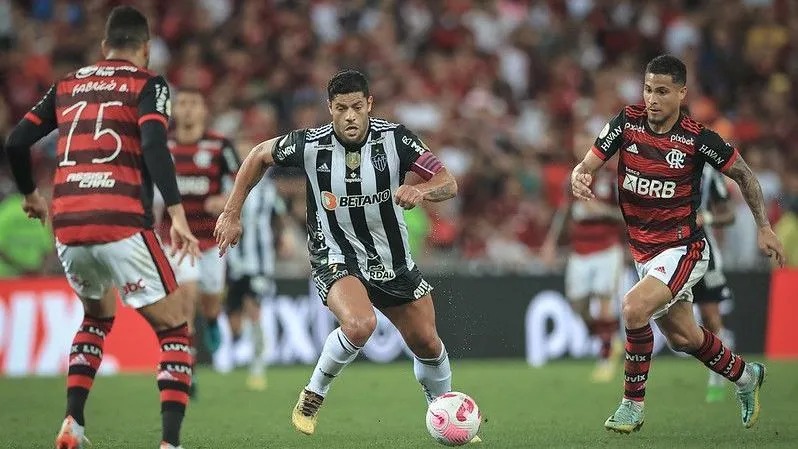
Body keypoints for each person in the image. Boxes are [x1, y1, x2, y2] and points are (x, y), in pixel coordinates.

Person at [214, 69, 479, 442]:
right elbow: (258, 155)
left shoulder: (397, 140)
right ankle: (314, 393)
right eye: (341, 108)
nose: (350, 116)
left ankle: (443, 411)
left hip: (392, 260)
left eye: (357, 106)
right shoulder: (311, 144)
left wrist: (421, 191)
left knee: (428, 343)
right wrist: (231, 213)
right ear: (330, 108)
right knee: (359, 324)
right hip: (334, 255)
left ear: (369, 103)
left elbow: (447, 182)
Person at [3, 6, 199, 449]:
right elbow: (154, 143)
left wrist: (31, 194)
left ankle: (73, 422)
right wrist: (177, 212)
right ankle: (170, 443)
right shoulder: (148, 83)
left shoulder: (67, 84)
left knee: (96, 317)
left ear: (104, 46)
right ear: (146, 48)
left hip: (68, 224)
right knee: (174, 329)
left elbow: (16, 141)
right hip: (120, 218)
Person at [571, 55, 785, 433]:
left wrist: (764, 227)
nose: (652, 99)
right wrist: (580, 175)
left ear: (682, 93)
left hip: (683, 248)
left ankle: (632, 405)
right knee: (684, 338)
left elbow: (744, 175)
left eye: (662, 92)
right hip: (643, 252)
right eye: (648, 90)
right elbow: (588, 163)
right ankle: (746, 375)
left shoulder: (698, 139)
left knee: (633, 308)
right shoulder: (626, 123)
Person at [158, 88, 240, 371]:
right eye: (182, 103)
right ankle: (187, 361)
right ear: (174, 110)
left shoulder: (220, 145)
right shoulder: (161, 145)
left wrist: (226, 201)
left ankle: (213, 320)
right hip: (177, 236)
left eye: (194, 103)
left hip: (211, 238)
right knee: (186, 293)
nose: (188, 109)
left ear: (204, 110)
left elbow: (242, 182)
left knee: (210, 301)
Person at [541, 130, 625, 383]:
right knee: (577, 305)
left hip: (606, 247)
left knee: (603, 300)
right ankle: (608, 339)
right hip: (579, 250)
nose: (582, 150)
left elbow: (627, 215)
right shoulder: (573, 176)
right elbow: (565, 211)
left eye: (586, 145)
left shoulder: (612, 178)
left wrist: (601, 210)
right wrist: (550, 242)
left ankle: (606, 357)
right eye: (578, 145)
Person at [224, 164, 288, 391]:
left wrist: (281, 239)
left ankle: (258, 367)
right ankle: (235, 346)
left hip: (260, 264)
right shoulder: (229, 186)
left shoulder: (267, 189)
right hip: (234, 262)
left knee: (254, 310)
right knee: (234, 322)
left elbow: (280, 215)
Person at [692, 164, 737, 402]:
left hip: (704, 253)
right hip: (669, 250)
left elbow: (730, 215)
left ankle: (718, 374)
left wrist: (707, 217)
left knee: (710, 315)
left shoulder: (709, 173)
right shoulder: (662, 161)